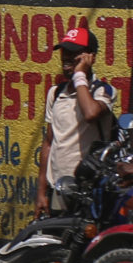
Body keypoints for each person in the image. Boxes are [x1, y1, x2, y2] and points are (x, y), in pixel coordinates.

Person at [32, 26, 117, 216]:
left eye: (74, 52)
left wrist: (80, 74)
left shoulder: (102, 91)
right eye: (64, 51)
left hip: (88, 191)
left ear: (90, 57)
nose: (66, 57)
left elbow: (90, 113)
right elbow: (48, 142)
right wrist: (41, 192)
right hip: (58, 189)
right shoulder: (56, 93)